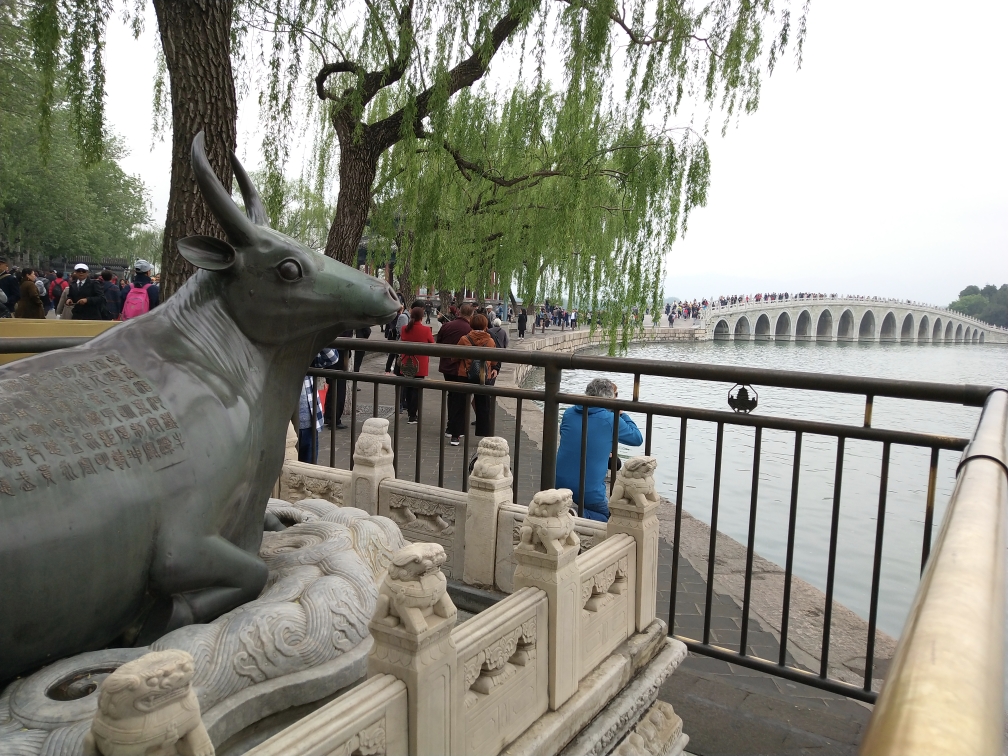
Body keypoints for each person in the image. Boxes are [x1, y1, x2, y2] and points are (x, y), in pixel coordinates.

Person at [555, 378, 643, 522]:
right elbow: (637, 438)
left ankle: (569, 510)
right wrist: (620, 413)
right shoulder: (611, 419)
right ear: (609, 399)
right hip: (589, 492)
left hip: (558, 483)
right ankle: (578, 514)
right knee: (611, 518)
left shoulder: (569, 413)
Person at [437, 302, 473, 446]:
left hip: (447, 367)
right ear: (471, 314)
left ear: (459, 311)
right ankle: (456, 430)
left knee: (452, 395)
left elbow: (439, 342)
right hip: (462, 368)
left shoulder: (447, 326)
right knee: (461, 398)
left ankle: (450, 426)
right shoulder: (469, 329)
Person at [458, 313, 498, 437]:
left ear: (471, 324)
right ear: (486, 325)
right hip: (483, 375)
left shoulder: (464, 339)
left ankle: (457, 434)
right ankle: (484, 434)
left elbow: (454, 356)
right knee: (484, 406)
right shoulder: (490, 341)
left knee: (460, 404)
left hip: (465, 374)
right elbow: (494, 361)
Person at [299, 348, 340, 462]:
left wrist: (316, 339)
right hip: (285, 427)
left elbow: (332, 358)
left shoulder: (306, 351)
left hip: (310, 422)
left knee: (309, 469)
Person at [399, 305, 435, 423]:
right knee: (417, 390)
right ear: (422, 317)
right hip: (420, 364)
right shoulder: (426, 330)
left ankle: (410, 411)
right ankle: (413, 415)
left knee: (408, 388)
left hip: (406, 362)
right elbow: (432, 343)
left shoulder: (404, 328)